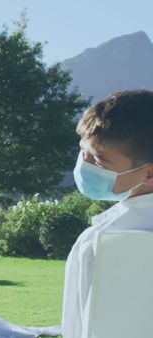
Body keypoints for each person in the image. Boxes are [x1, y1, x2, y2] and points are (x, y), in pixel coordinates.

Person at [62, 90, 153, 337]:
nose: (84, 164)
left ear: (149, 173)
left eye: (99, 161)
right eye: (83, 151)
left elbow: (78, 326)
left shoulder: (97, 242)